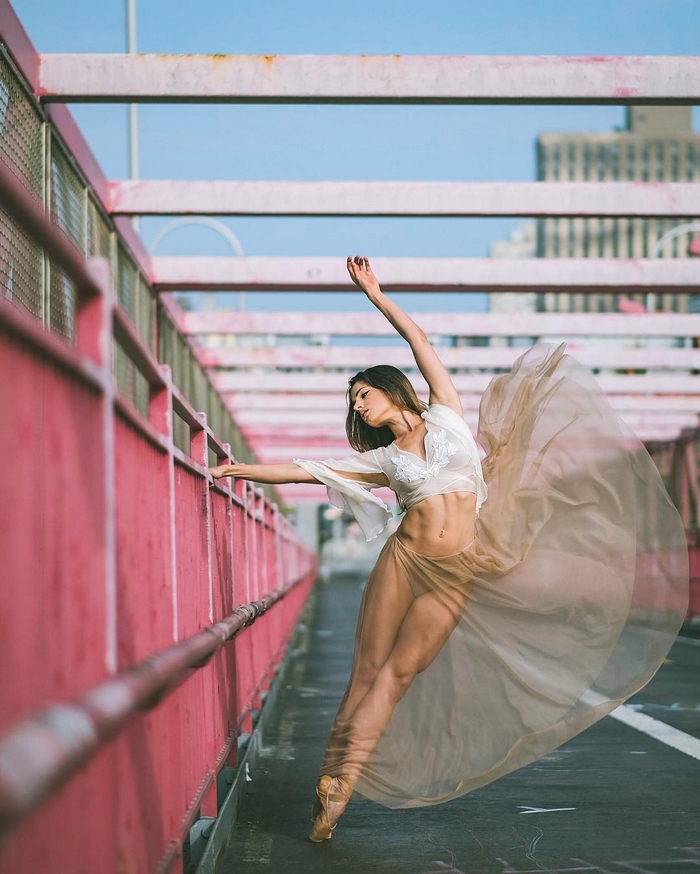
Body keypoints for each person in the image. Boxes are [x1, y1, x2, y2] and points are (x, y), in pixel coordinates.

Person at [209, 256, 689, 843]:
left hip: (456, 570)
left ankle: (345, 775)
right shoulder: (383, 461)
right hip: (403, 562)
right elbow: (306, 469)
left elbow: (419, 341)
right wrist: (241, 470)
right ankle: (334, 781)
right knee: (366, 674)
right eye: (353, 402)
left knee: (400, 674)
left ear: (390, 391)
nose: (358, 406)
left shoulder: (447, 415)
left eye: (364, 395)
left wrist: (375, 296)